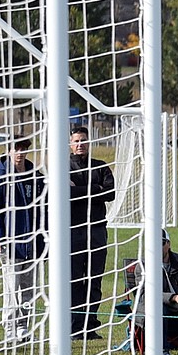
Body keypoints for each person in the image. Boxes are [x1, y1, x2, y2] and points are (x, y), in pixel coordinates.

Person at [0, 135, 44, 342]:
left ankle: (23, 327)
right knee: (11, 289)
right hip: (11, 245)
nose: (19, 153)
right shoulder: (0, 177)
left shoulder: (35, 177)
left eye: (23, 149)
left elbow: (44, 208)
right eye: (15, 149)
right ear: (9, 151)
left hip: (33, 244)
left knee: (29, 289)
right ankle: (10, 328)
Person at [69, 125, 115, 339]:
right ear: (71, 144)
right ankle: (74, 326)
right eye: (77, 141)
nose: (80, 144)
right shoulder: (63, 166)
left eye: (84, 140)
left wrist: (80, 190)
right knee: (74, 280)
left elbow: (110, 193)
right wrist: (95, 189)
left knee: (94, 280)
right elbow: (64, 193)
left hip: (96, 231)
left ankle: (90, 326)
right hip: (73, 232)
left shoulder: (100, 167)